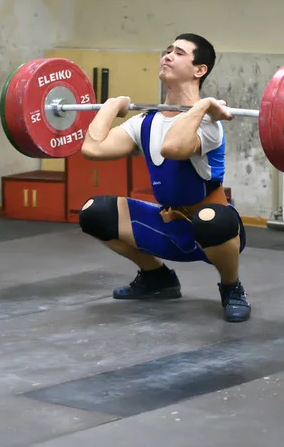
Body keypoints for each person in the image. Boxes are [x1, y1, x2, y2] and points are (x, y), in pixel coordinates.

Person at [79, 33, 251, 323]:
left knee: (212, 219)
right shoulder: (145, 122)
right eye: (168, 50)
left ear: (200, 70)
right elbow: (92, 148)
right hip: (167, 225)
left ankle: (232, 287)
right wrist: (111, 106)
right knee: (94, 213)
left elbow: (173, 148)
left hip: (212, 232)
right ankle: (157, 277)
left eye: (179, 53)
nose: (168, 55)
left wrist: (202, 106)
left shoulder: (209, 125)